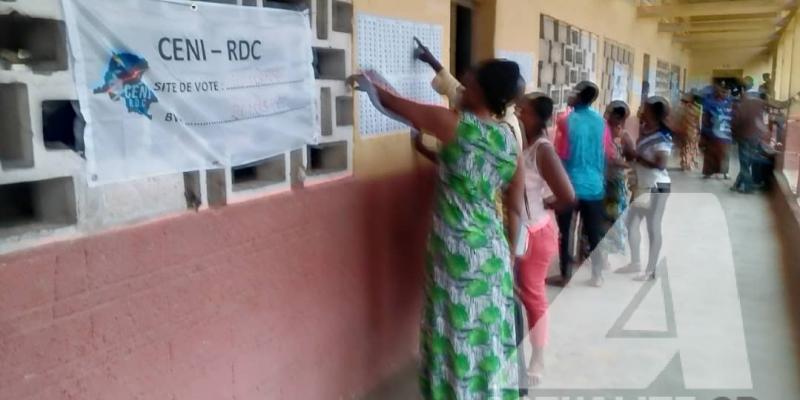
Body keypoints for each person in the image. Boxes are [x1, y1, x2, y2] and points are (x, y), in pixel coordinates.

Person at [355, 60, 524, 399]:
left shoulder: (454, 124)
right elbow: (515, 207)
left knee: (453, 331)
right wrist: (511, 261)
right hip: (493, 252)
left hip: (456, 250)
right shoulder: (508, 140)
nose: (462, 84)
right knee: (485, 334)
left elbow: (394, 104)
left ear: (480, 91)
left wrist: (366, 78)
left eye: (469, 81)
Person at [514, 93, 575, 386]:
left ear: (538, 118)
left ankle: (538, 356)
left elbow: (567, 196)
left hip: (535, 233)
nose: (517, 111)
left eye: (522, 110)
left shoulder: (542, 149)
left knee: (533, 296)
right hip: (516, 230)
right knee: (518, 293)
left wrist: (542, 206)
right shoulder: (517, 141)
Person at [415, 38, 524, 150]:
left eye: (471, 87)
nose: (463, 92)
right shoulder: (491, 108)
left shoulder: (504, 133)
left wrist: (425, 150)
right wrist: (433, 62)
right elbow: (455, 88)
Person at [555, 81, 609, 287]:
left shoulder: (565, 121)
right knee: (594, 231)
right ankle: (597, 275)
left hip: (569, 184)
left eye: (572, 92)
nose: (569, 95)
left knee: (565, 232)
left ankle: (565, 274)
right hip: (594, 185)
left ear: (578, 96)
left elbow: (561, 153)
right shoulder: (600, 122)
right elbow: (604, 153)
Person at [617, 96, 672, 280]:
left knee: (652, 226)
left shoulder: (662, 136)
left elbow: (661, 163)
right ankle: (635, 262)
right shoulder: (645, 129)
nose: (641, 109)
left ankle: (651, 270)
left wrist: (636, 156)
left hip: (657, 186)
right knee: (631, 222)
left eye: (645, 108)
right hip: (642, 185)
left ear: (654, 113)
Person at [602, 101, 634, 257]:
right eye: (614, 115)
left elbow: (631, 156)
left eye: (620, 117)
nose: (617, 120)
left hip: (614, 182)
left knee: (613, 215)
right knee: (602, 217)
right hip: (602, 181)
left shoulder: (623, 135)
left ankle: (608, 250)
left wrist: (622, 162)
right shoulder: (601, 132)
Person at [700, 82, 733, 179]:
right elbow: (705, 117)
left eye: (726, 92)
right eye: (722, 92)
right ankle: (708, 172)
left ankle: (725, 172)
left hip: (726, 134)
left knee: (725, 154)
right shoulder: (710, 103)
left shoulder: (730, 103)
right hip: (712, 133)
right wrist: (704, 130)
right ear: (717, 92)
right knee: (710, 153)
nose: (725, 94)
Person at [671, 92, 700, 171]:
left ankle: (685, 163)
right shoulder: (695, 109)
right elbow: (697, 121)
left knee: (685, 148)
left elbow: (677, 119)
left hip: (684, 131)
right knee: (689, 148)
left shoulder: (680, 108)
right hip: (691, 132)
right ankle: (687, 163)